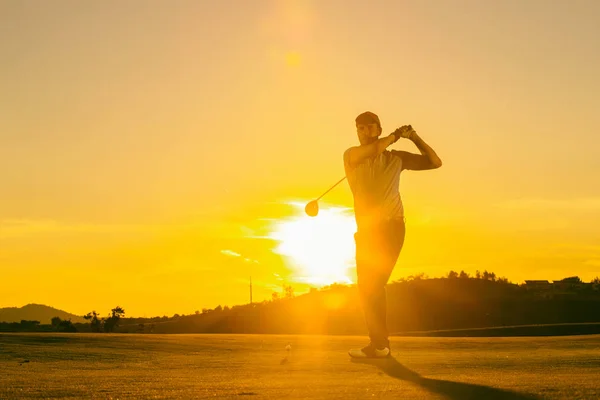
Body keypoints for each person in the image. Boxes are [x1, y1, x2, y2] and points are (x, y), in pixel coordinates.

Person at [344, 111, 442, 358]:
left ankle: (380, 346)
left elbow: (434, 162)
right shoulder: (352, 155)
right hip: (366, 232)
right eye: (360, 128)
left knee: (373, 285)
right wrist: (395, 135)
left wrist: (413, 137)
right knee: (367, 289)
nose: (364, 132)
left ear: (378, 129)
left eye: (369, 127)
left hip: (391, 228)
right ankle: (378, 345)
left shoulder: (396, 158)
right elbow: (375, 149)